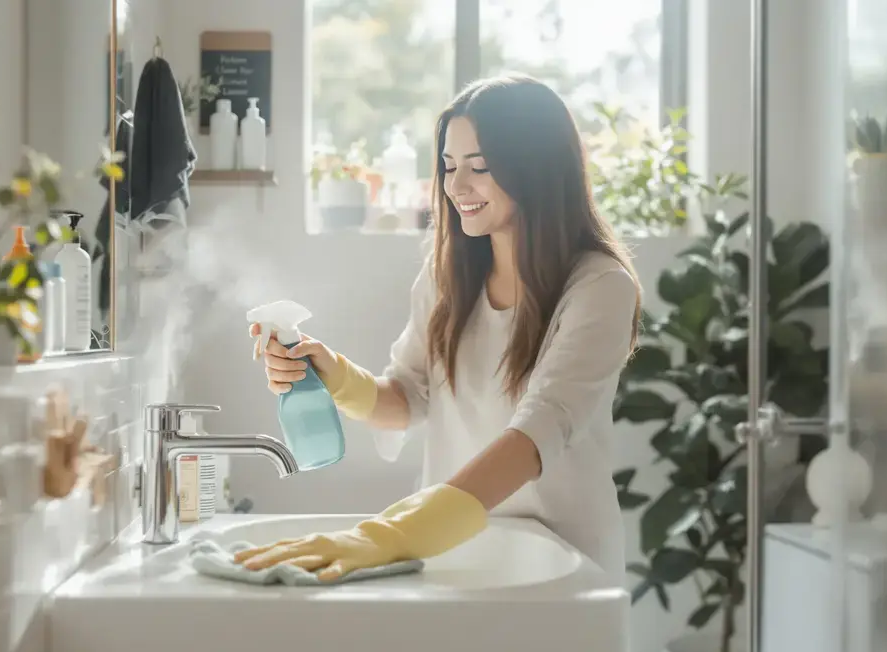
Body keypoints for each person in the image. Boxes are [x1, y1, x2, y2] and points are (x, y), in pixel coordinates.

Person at [237, 73, 642, 584]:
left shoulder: (601, 287)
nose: (456, 186)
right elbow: (406, 398)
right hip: (454, 547)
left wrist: (388, 535)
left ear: (537, 168)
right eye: (449, 166)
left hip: (560, 559)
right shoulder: (448, 275)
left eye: (480, 167)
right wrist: (331, 373)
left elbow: (539, 430)